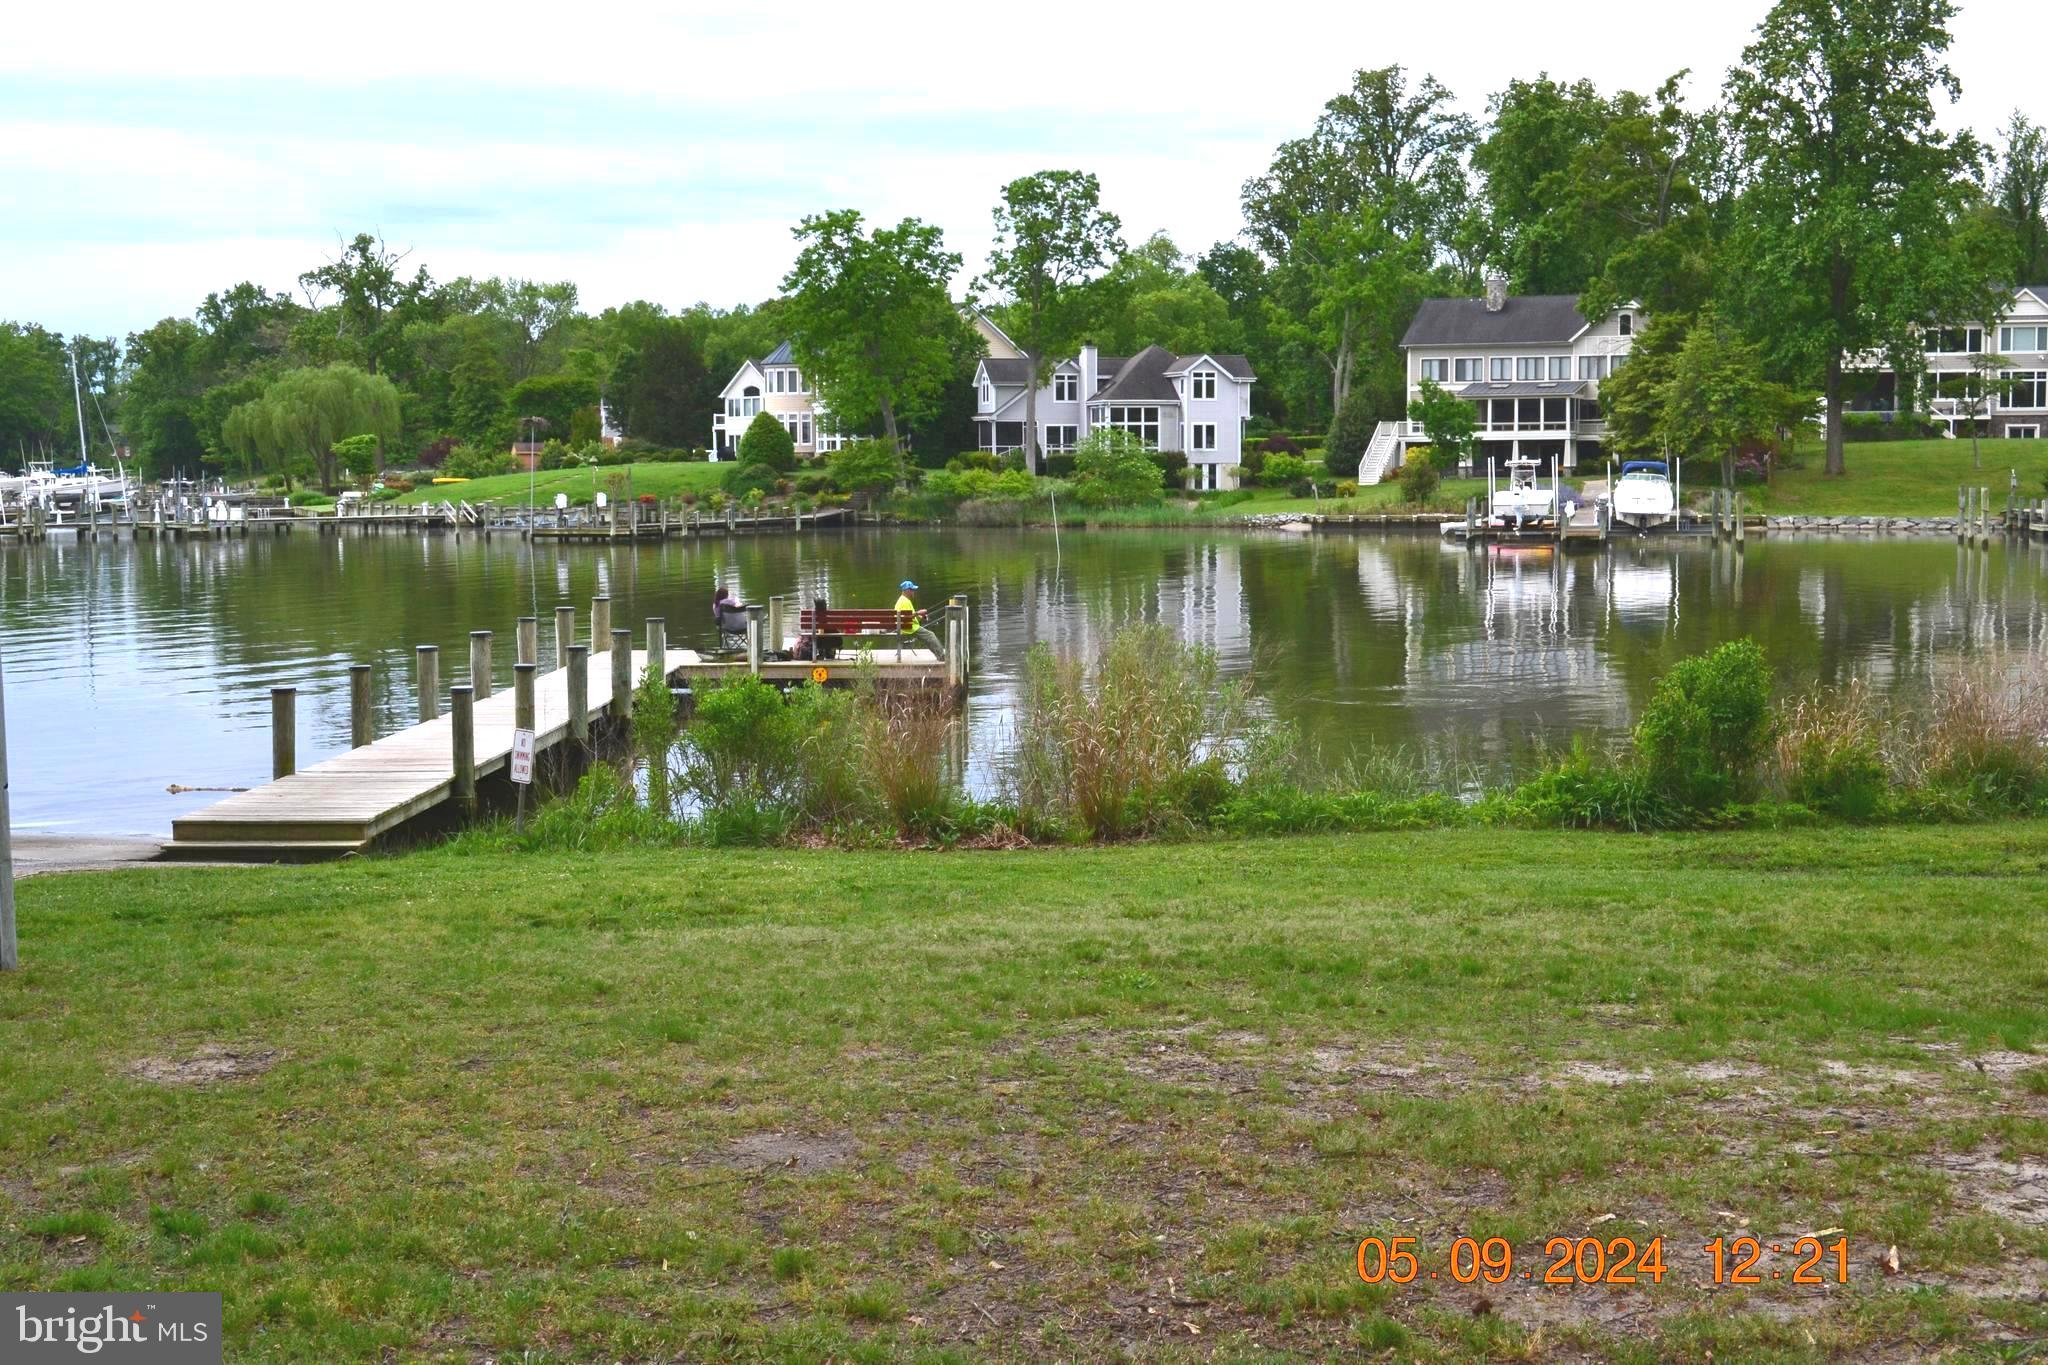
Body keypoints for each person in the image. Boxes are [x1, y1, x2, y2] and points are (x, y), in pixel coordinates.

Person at [892, 580, 946, 659]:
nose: (913, 592)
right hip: (909, 628)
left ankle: (940, 656)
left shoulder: (901, 600)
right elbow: (906, 618)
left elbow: (908, 616)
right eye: (912, 590)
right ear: (907, 590)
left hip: (904, 627)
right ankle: (942, 656)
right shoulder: (905, 602)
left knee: (927, 637)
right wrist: (918, 613)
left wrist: (920, 616)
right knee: (931, 635)